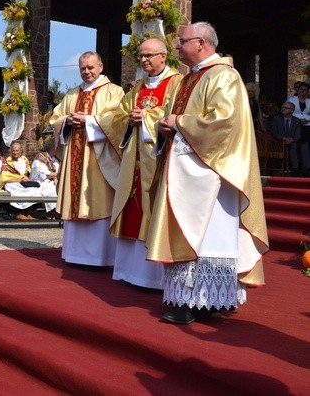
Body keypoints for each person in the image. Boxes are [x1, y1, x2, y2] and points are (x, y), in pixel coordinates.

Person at [147, 22, 269, 324]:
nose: (176, 47)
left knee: (209, 236)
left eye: (181, 41)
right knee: (191, 233)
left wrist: (179, 123)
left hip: (212, 175)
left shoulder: (224, 76)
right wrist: (165, 125)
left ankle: (203, 301)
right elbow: (171, 118)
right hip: (184, 170)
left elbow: (225, 123)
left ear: (201, 43)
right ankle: (194, 299)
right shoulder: (185, 80)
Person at [100, 38, 182, 290]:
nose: (144, 60)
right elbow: (118, 115)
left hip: (159, 158)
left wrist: (146, 117)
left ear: (163, 56)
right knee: (131, 207)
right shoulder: (137, 88)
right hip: (133, 158)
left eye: (148, 56)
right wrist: (130, 119)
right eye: (141, 57)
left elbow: (177, 113)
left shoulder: (177, 83)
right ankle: (129, 271)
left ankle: (153, 277)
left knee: (154, 208)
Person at [48, 51, 124, 267]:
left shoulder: (114, 92)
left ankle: (101, 258)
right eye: (83, 68)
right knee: (75, 200)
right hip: (74, 157)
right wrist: (67, 121)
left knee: (98, 199)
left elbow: (118, 121)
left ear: (100, 67)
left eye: (91, 67)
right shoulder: (72, 94)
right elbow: (54, 118)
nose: (87, 71)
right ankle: (74, 254)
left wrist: (90, 121)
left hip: (98, 160)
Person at [269, 101, 304, 176]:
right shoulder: (276, 119)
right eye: (282, 107)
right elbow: (274, 132)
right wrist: (284, 139)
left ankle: (294, 170)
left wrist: (292, 140)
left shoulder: (296, 120)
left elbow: (298, 134)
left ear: (292, 110)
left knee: (295, 145)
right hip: (279, 141)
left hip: (291, 142)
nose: (283, 109)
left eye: (286, 108)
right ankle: (276, 169)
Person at [29, 137, 60, 215]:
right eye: (57, 147)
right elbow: (47, 174)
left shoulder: (55, 159)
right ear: (53, 148)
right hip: (40, 184)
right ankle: (55, 211)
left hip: (54, 182)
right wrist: (61, 175)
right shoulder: (39, 159)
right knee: (53, 190)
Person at [287, 81, 310, 175]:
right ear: (298, 90)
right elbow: (286, 110)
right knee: (295, 145)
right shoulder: (291, 99)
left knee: (305, 146)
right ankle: (295, 168)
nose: (303, 91)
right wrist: (298, 120)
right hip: (294, 125)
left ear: (308, 91)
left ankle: (306, 168)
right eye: (301, 89)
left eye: (305, 90)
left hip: (307, 125)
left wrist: (307, 119)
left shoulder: (309, 101)